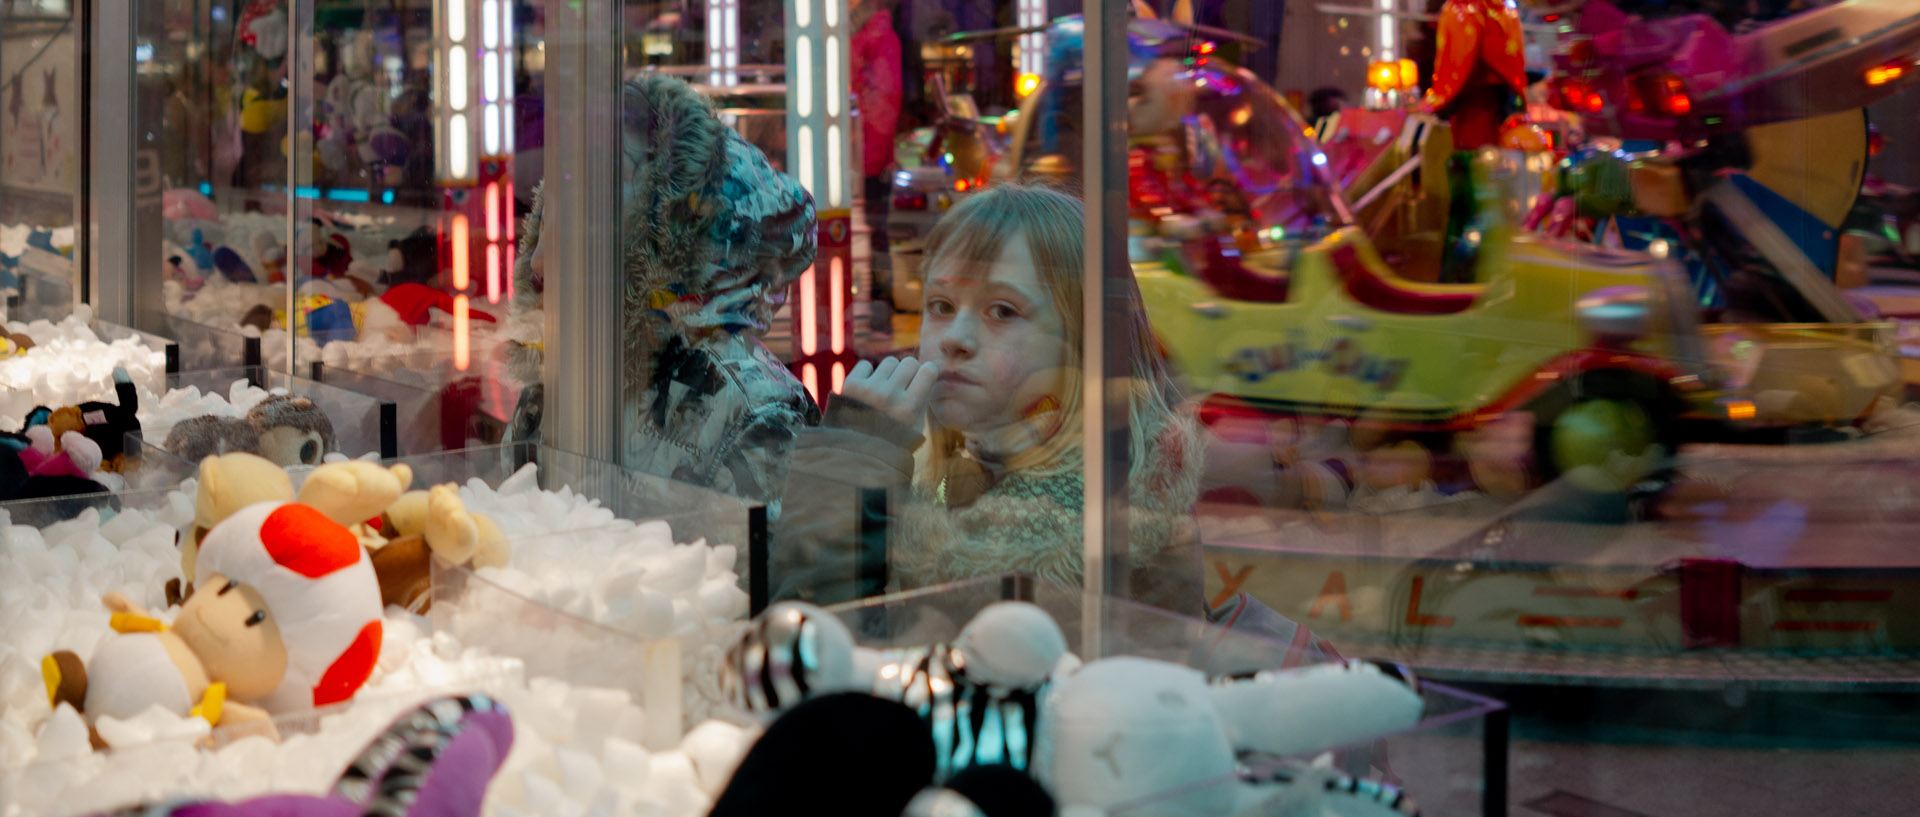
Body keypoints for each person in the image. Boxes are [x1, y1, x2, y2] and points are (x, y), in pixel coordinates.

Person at [774, 184, 1208, 614]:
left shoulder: (1074, 527)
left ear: (1084, 340)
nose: (955, 339)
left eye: (1002, 311)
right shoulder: (962, 461)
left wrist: (851, 463)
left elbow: (813, 644)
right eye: (941, 306)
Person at [504, 75, 822, 510]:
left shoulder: (751, 416)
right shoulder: (560, 377)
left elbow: (763, 576)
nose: (538, 263)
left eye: (584, 231)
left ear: (666, 254)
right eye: (545, 224)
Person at [852, 0, 904, 318]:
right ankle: (878, 306)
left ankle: (879, 308)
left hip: (864, 160)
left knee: (874, 235)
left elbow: (883, 99)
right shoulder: (865, 32)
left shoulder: (876, 34)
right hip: (860, 157)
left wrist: (865, 164)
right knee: (873, 235)